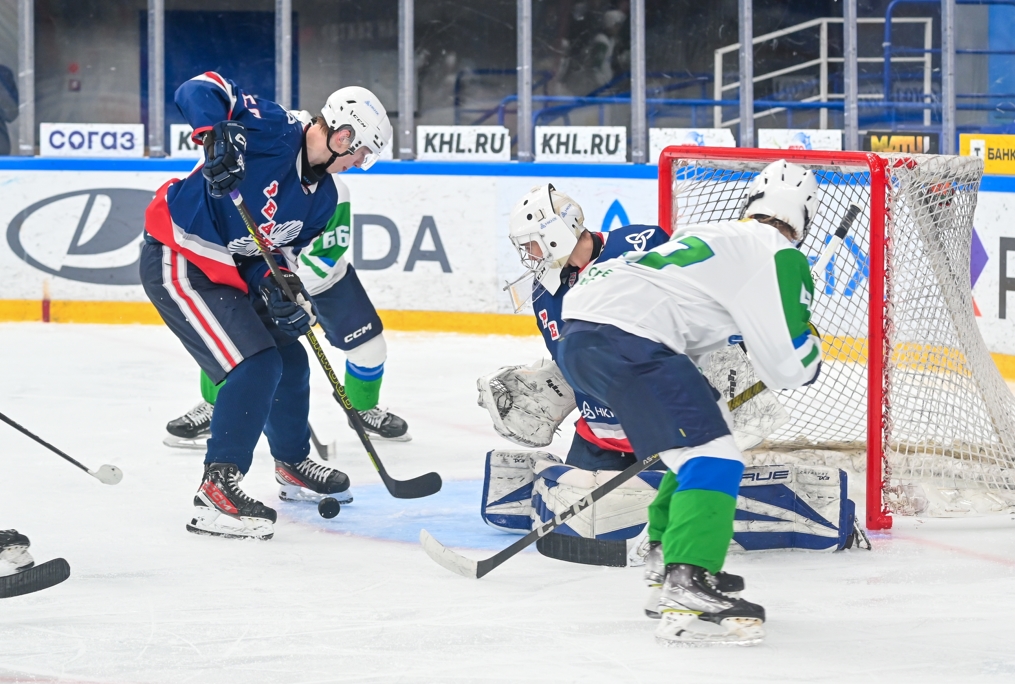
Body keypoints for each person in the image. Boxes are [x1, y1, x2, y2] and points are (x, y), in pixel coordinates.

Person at [556, 160, 823, 645]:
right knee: (716, 457)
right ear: (804, 217)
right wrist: (810, 338)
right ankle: (689, 577)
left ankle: (664, 559)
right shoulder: (778, 251)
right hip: (629, 339)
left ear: (752, 203)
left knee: (700, 439)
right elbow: (791, 366)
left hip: (582, 337)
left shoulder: (712, 234)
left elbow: (689, 316)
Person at [140, 71, 391, 540]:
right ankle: (216, 491)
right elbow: (198, 88)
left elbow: (268, 255)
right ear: (343, 135)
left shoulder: (323, 200)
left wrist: (280, 288)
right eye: (361, 153)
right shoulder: (274, 128)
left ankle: (292, 465)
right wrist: (216, 134)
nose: (359, 164)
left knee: (291, 361)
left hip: (230, 274)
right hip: (180, 255)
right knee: (254, 365)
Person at [163, 181, 410, 451]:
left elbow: (326, 255)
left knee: (371, 350)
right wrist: (270, 287)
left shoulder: (335, 191)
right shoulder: (255, 179)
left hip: (326, 283)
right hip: (260, 282)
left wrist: (292, 292)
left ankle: (362, 408)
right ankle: (216, 406)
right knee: (232, 344)